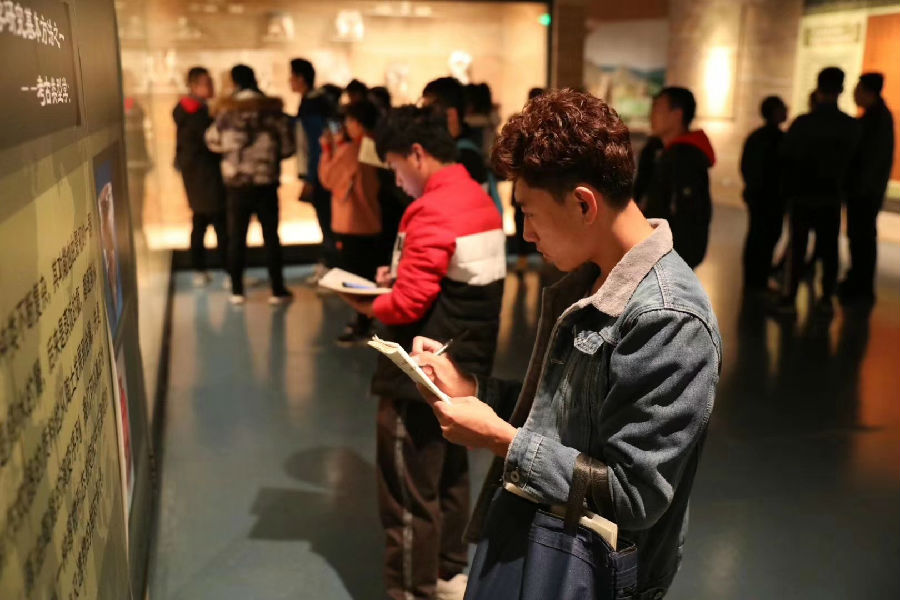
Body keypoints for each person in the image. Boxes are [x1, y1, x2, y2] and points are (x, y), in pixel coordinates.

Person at [411, 89, 722, 599]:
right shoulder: (588, 277)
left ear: (583, 203)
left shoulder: (669, 318)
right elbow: (560, 413)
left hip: (587, 574)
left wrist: (502, 441)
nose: (526, 233)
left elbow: (634, 495)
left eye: (530, 214)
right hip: (536, 543)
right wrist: (472, 388)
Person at [338, 105, 505, 600]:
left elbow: (409, 303)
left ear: (416, 153)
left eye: (394, 166)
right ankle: (449, 572)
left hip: (421, 369)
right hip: (465, 365)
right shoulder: (476, 195)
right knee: (449, 472)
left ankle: (411, 588)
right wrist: (397, 275)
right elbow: (443, 279)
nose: (396, 179)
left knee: (408, 490)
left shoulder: (433, 207)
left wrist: (364, 301)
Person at [205, 64, 295, 305]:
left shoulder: (226, 112)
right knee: (271, 237)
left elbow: (213, 141)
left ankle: (237, 290)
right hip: (266, 183)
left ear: (234, 82)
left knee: (236, 237)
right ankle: (277, 290)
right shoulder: (272, 110)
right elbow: (288, 147)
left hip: (237, 185)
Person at [774, 67, 861, 315]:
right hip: (831, 197)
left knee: (797, 248)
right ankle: (826, 298)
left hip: (802, 196)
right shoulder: (850, 127)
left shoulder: (803, 124)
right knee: (830, 249)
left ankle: (789, 298)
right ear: (841, 89)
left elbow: (786, 159)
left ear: (818, 88)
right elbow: (855, 165)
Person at [318, 100, 383, 345]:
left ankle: (363, 323)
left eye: (348, 121)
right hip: (374, 220)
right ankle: (368, 321)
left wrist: (327, 149)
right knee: (370, 274)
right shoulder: (376, 145)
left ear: (357, 123)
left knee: (357, 278)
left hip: (354, 223)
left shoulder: (353, 150)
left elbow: (328, 178)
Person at [637, 87, 716, 268]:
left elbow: (689, 218)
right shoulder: (661, 151)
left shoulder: (685, 157)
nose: (651, 115)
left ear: (677, 115)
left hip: (669, 258)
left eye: (658, 109)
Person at [840, 72, 895, 305]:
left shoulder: (876, 120)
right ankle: (858, 281)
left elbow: (870, 160)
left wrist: (858, 187)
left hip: (865, 192)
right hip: (866, 190)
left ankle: (860, 285)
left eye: (858, 89)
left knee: (861, 238)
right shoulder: (877, 117)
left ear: (868, 92)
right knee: (860, 237)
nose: (855, 94)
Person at [173, 66, 229, 286]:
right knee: (217, 223)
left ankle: (202, 269)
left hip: (198, 176)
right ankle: (227, 272)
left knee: (201, 222)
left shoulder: (192, 111)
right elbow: (208, 145)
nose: (211, 87)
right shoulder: (196, 114)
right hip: (204, 175)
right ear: (194, 86)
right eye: (206, 83)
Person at [290, 58, 338, 281]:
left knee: (327, 221)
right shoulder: (316, 101)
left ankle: (331, 264)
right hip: (323, 172)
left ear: (300, 78)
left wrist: (312, 177)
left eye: (292, 76)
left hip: (321, 174)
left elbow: (317, 144)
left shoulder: (313, 104)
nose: (290, 81)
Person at [740, 95, 788, 293]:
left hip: (758, 196)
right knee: (767, 236)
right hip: (771, 198)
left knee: (757, 235)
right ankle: (759, 278)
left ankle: (753, 277)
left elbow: (746, 166)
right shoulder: (780, 139)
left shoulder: (756, 137)